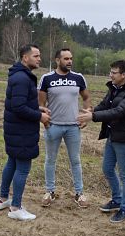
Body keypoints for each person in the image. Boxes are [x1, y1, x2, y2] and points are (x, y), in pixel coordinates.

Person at [77, 60, 125, 223]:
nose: (110, 75)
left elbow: (119, 111)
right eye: (110, 72)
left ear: (123, 75)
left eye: (113, 72)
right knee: (107, 168)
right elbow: (105, 105)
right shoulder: (114, 88)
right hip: (113, 134)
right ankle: (117, 199)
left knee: (124, 174)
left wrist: (93, 117)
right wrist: (92, 111)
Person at [0, 44, 51, 221]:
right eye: (36, 56)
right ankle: (16, 207)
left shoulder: (21, 75)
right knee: (23, 167)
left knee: (12, 161)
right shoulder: (22, 78)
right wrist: (40, 117)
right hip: (21, 131)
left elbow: (21, 102)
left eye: (39, 55)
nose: (39, 59)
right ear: (25, 58)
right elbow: (18, 107)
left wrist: (38, 107)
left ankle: (3, 199)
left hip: (16, 130)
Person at [38, 48, 91, 208]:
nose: (69, 61)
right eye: (66, 59)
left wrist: (87, 113)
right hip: (53, 126)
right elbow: (40, 104)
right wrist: (45, 122)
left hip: (73, 128)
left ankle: (79, 193)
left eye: (71, 58)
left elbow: (86, 97)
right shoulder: (47, 78)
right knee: (50, 160)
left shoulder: (78, 78)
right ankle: (49, 191)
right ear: (57, 60)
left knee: (75, 160)